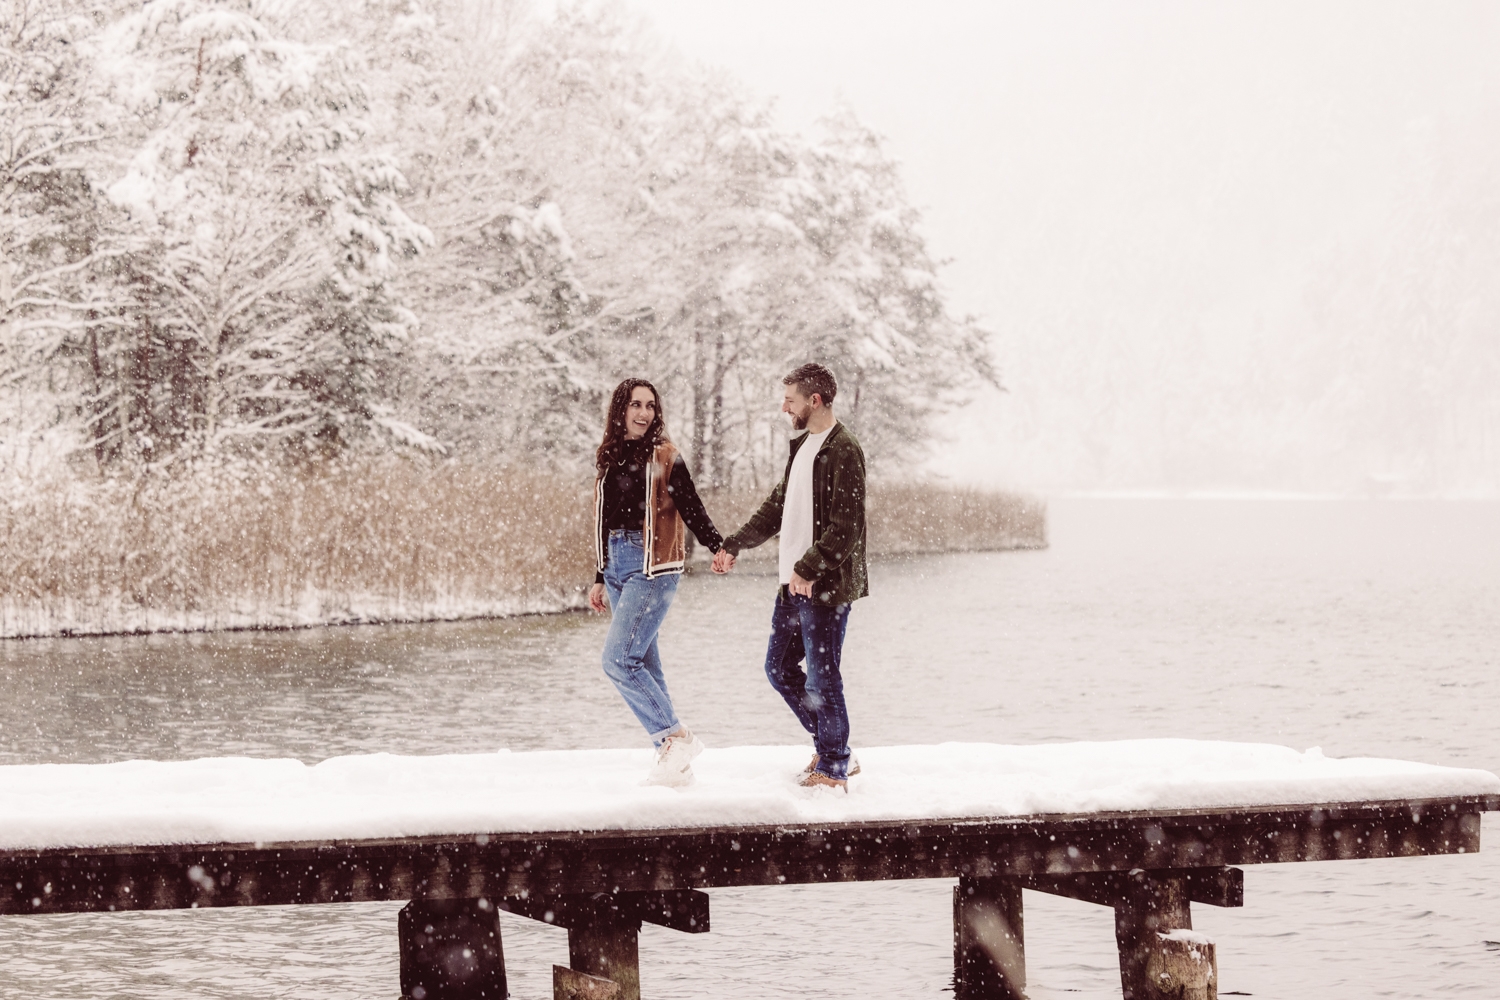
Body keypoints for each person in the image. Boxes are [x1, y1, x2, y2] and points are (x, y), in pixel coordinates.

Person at [712, 363, 868, 791]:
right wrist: (735, 543)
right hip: (792, 587)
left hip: (824, 588)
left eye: (790, 400)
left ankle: (834, 765)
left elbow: (846, 526)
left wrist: (809, 567)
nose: (784, 408)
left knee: (822, 676)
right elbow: (776, 507)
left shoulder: (843, 450)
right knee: (779, 668)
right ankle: (833, 747)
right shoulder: (802, 446)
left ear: (813, 401)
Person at [589, 378, 724, 786]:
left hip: (652, 566)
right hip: (615, 564)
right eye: (635, 405)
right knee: (645, 663)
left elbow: (691, 506)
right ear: (621, 410)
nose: (644, 413)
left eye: (650, 406)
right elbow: (604, 518)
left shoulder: (665, 456)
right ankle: (672, 761)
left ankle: (676, 738)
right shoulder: (608, 457)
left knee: (617, 660)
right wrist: (598, 575)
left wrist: (717, 546)